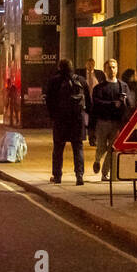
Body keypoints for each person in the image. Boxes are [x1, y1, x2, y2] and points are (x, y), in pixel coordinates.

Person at [45, 58, 91, 186]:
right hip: (77, 119)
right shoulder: (81, 80)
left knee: (58, 149)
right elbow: (88, 101)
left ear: (60, 68)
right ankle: (79, 176)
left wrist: (53, 116)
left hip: (61, 120)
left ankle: (57, 176)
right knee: (78, 148)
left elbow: (49, 101)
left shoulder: (54, 81)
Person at [90, 64, 134, 182]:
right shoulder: (99, 88)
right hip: (103, 121)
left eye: (114, 67)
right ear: (105, 70)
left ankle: (105, 173)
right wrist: (112, 104)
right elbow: (97, 103)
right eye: (109, 67)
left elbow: (130, 103)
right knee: (101, 146)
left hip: (117, 122)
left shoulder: (123, 86)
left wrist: (124, 101)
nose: (112, 69)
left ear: (117, 69)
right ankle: (97, 160)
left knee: (112, 148)